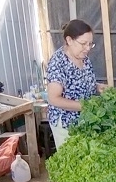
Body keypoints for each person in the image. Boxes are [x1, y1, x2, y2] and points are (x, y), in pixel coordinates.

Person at [45, 19, 107, 148]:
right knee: (72, 162)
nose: (87, 48)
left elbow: (79, 82)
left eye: (90, 44)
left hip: (84, 121)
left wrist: (96, 86)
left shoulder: (84, 59)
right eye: (83, 43)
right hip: (66, 124)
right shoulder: (58, 63)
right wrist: (84, 106)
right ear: (69, 40)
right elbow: (54, 99)